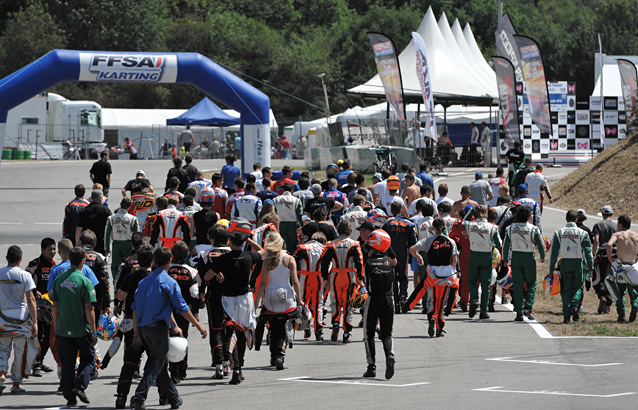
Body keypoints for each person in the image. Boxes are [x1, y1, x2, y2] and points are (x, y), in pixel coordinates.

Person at [130, 247, 207, 409]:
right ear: (170, 260)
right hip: (158, 330)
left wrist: (137, 333)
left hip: (144, 330)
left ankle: (174, 398)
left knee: (161, 366)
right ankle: (138, 397)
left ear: (153, 261)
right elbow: (182, 307)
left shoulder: (144, 282)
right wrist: (198, 325)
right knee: (154, 366)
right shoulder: (168, 282)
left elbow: (135, 309)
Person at [205, 218, 262, 385]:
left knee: (230, 334)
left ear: (230, 240)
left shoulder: (222, 259)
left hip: (228, 301)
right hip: (245, 299)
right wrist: (247, 237)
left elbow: (207, 276)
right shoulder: (249, 257)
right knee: (242, 332)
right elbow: (262, 251)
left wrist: (216, 273)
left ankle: (234, 367)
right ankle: (240, 367)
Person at [49, 247, 97, 407]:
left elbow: (54, 307)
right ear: (83, 260)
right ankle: (80, 386)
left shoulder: (59, 280)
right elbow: (89, 308)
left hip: (63, 329)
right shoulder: (84, 281)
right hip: (81, 330)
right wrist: (94, 330)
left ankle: (70, 396)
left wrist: (56, 327)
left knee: (67, 363)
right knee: (89, 359)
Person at [113, 245, 154, 409]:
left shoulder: (131, 277)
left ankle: (121, 396)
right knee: (156, 363)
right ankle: (164, 396)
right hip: (152, 325)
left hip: (132, 323)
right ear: (152, 260)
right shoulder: (155, 277)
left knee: (129, 362)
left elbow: (119, 295)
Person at [255, 233, 301, 370]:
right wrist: (300, 299)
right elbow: (295, 281)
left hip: (271, 295)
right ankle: (281, 352)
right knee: (284, 322)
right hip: (285, 295)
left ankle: (273, 354)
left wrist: (258, 300)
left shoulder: (267, 261)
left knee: (273, 325)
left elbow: (263, 283)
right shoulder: (289, 259)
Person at [410, 218, 459, 337]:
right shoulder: (451, 242)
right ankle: (439, 328)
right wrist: (450, 270)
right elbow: (454, 260)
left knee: (431, 298)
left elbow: (412, 249)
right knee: (442, 301)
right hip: (446, 275)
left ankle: (431, 315)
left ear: (434, 228)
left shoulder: (428, 240)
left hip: (432, 274)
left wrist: (418, 257)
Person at [0, 246, 38, 395]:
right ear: (20, 259)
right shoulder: (25, 275)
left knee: (2, 350)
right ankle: (16, 383)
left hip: (2, 319)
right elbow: (31, 299)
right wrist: (34, 322)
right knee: (19, 353)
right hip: (21, 321)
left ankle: (2, 372)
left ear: (6, 258)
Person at [321, 220, 363, 343]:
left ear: (338, 230)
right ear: (350, 231)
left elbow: (324, 262)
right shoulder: (354, 244)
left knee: (335, 302)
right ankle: (346, 333)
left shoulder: (331, 244)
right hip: (350, 274)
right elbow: (359, 262)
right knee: (349, 304)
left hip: (335, 275)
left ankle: (335, 323)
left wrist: (325, 278)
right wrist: (360, 279)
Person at [501, 206, 546, 321]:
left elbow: (505, 246)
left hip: (515, 256)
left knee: (517, 284)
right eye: (531, 214)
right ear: (527, 215)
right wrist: (542, 255)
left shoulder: (510, 228)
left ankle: (519, 312)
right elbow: (540, 244)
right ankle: (528, 307)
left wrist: (505, 259)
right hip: (528, 256)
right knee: (531, 282)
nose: (532, 216)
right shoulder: (533, 228)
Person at [362, 229, 395, 380]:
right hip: (389, 299)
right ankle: (390, 354)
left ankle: (371, 365)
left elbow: (364, 282)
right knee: (387, 333)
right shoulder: (390, 262)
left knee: (369, 333)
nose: (367, 249)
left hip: (373, 299)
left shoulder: (368, 263)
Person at [549, 210, 593, 324]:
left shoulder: (559, 232)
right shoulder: (583, 233)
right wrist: (590, 267)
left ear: (566, 219)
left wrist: (551, 268)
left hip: (564, 263)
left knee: (565, 289)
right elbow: (588, 252)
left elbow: (553, 253)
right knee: (578, 287)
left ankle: (566, 315)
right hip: (577, 263)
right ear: (577, 219)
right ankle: (575, 305)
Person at [166, 242, 200, 384]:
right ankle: (182, 370)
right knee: (183, 337)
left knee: (170, 338)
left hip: (167, 311)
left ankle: (173, 371)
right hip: (184, 311)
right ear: (187, 255)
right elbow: (195, 293)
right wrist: (196, 312)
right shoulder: (192, 271)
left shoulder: (166, 270)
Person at [463, 205, 502, 319]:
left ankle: (474, 299)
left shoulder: (471, 225)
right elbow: (499, 244)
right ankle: (483, 311)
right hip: (486, 256)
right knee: (486, 284)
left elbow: (464, 221)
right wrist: (492, 244)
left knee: (472, 281)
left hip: (474, 254)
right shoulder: (492, 227)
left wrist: (471, 211)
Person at [26, 237, 56, 377]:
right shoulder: (34, 264)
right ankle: (35, 364)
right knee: (39, 335)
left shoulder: (54, 265)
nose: (53, 251)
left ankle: (40, 360)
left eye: (54, 249)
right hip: (37, 307)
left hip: (50, 306)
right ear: (42, 250)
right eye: (50, 249)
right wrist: (34, 291)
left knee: (49, 337)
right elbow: (25, 281)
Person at [383, 202, 417, 313]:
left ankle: (396, 300)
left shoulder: (387, 223)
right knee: (403, 277)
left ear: (391, 210)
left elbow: (383, 239)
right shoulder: (409, 223)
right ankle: (403, 296)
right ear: (401, 210)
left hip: (390, 254)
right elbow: (413, 241)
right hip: (404, 254)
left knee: (392, 277)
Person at [294, 232, 327, 341]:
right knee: (318, 304)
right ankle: (319, 332)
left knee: (303, 302)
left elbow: (294, 260)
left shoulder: (302, 247)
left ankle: (305, 327)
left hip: (305, 277)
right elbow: (329, 264)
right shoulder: (324, 248)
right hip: (318, 277)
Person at [606, 215, 638, 323]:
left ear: (620, 224)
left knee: (619, 292)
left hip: (621, 266)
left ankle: (621, 315)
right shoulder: (635, 235)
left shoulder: (618, 234)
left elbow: (609, 244)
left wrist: (610, 259)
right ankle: (635, 304)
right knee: (633, 290)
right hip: (633, 265)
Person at [105, 197, 140, 280]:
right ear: (130, 206)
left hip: (116, 245)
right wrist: (137, 249)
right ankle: (127, 283)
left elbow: (107, 235)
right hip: (128, 245)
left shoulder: (111, 218)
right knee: (129, 265)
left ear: (120, 204)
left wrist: (107, 249)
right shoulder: (133, 218)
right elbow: (137, 235)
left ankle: (115, 283)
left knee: (114, 268)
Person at [592, 205, 617, 314]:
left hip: (602, 253)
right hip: (613, 254)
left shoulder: (598, 225)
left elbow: (596, 240)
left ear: (602, 214)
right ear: (611, 214)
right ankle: (608, 303)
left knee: (601, 278)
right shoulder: (616, 226)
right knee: (611, 278)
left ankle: (602, 296)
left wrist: (593, 253)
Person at [75, 190, 112, 255]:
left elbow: (79, 229)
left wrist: (77, 244)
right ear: (100, 198)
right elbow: (111, 227)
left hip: (86, 243)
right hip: (101, 243)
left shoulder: (84, 211)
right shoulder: (106, 210)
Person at [273, 183, 303, 252]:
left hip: (280, 225)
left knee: (282, 245)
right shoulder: (296, 200)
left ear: (283, 190)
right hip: (292, 226)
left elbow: (273, 214)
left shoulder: (275, 199)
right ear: (292, 190)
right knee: (292, 246)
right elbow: (299, 215)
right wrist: (302, 227)